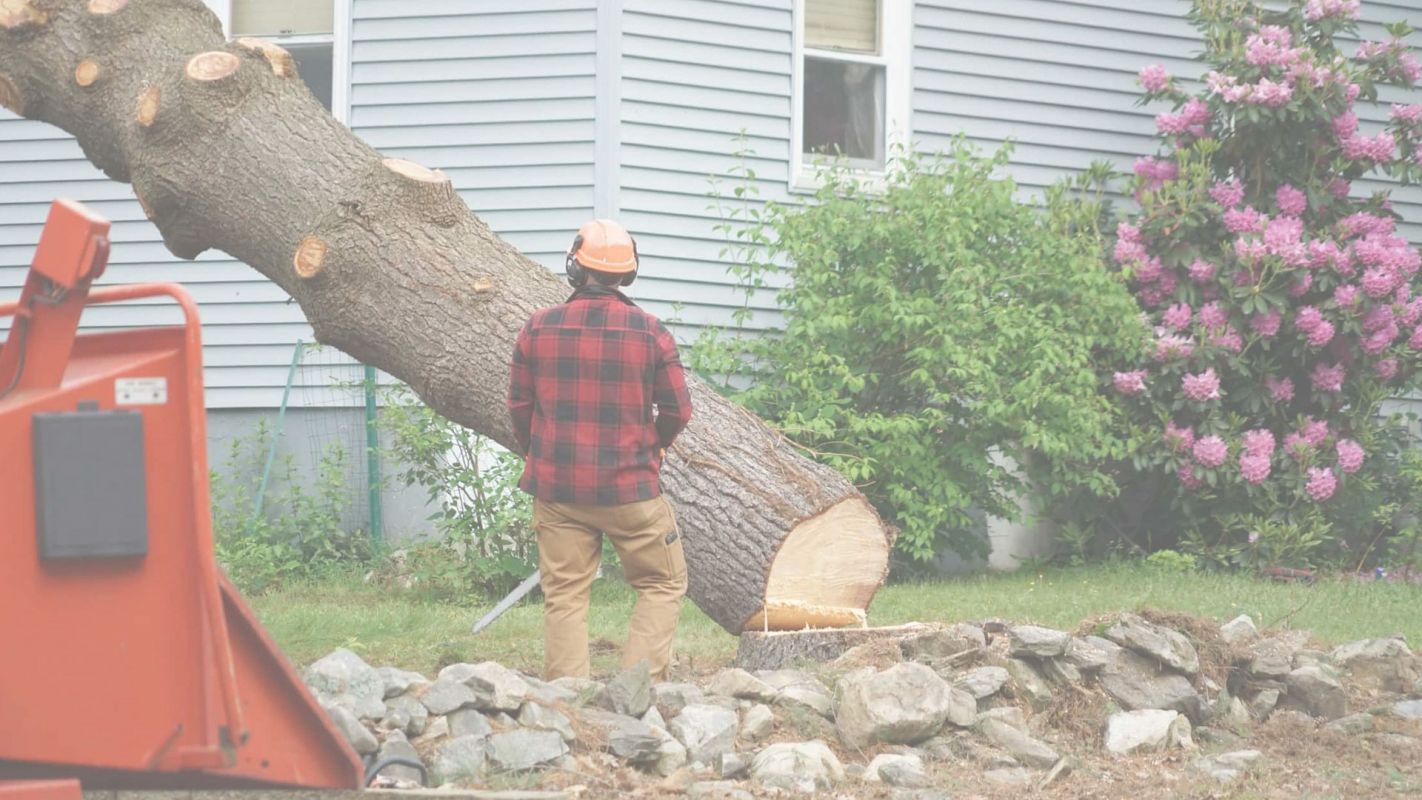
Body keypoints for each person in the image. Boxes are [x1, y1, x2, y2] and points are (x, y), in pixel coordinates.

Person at [508, 219, 693, 681]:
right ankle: (637, 690)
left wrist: (542, 453)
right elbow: (678, 410)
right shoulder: (651, 333)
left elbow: (519, 406)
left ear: (576, 266)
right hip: (631, 490)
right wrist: (656, 444)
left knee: (565, 594)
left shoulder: (537, 327)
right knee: (662, 582)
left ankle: (567, 699)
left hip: (558, 491)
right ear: (628, 274)